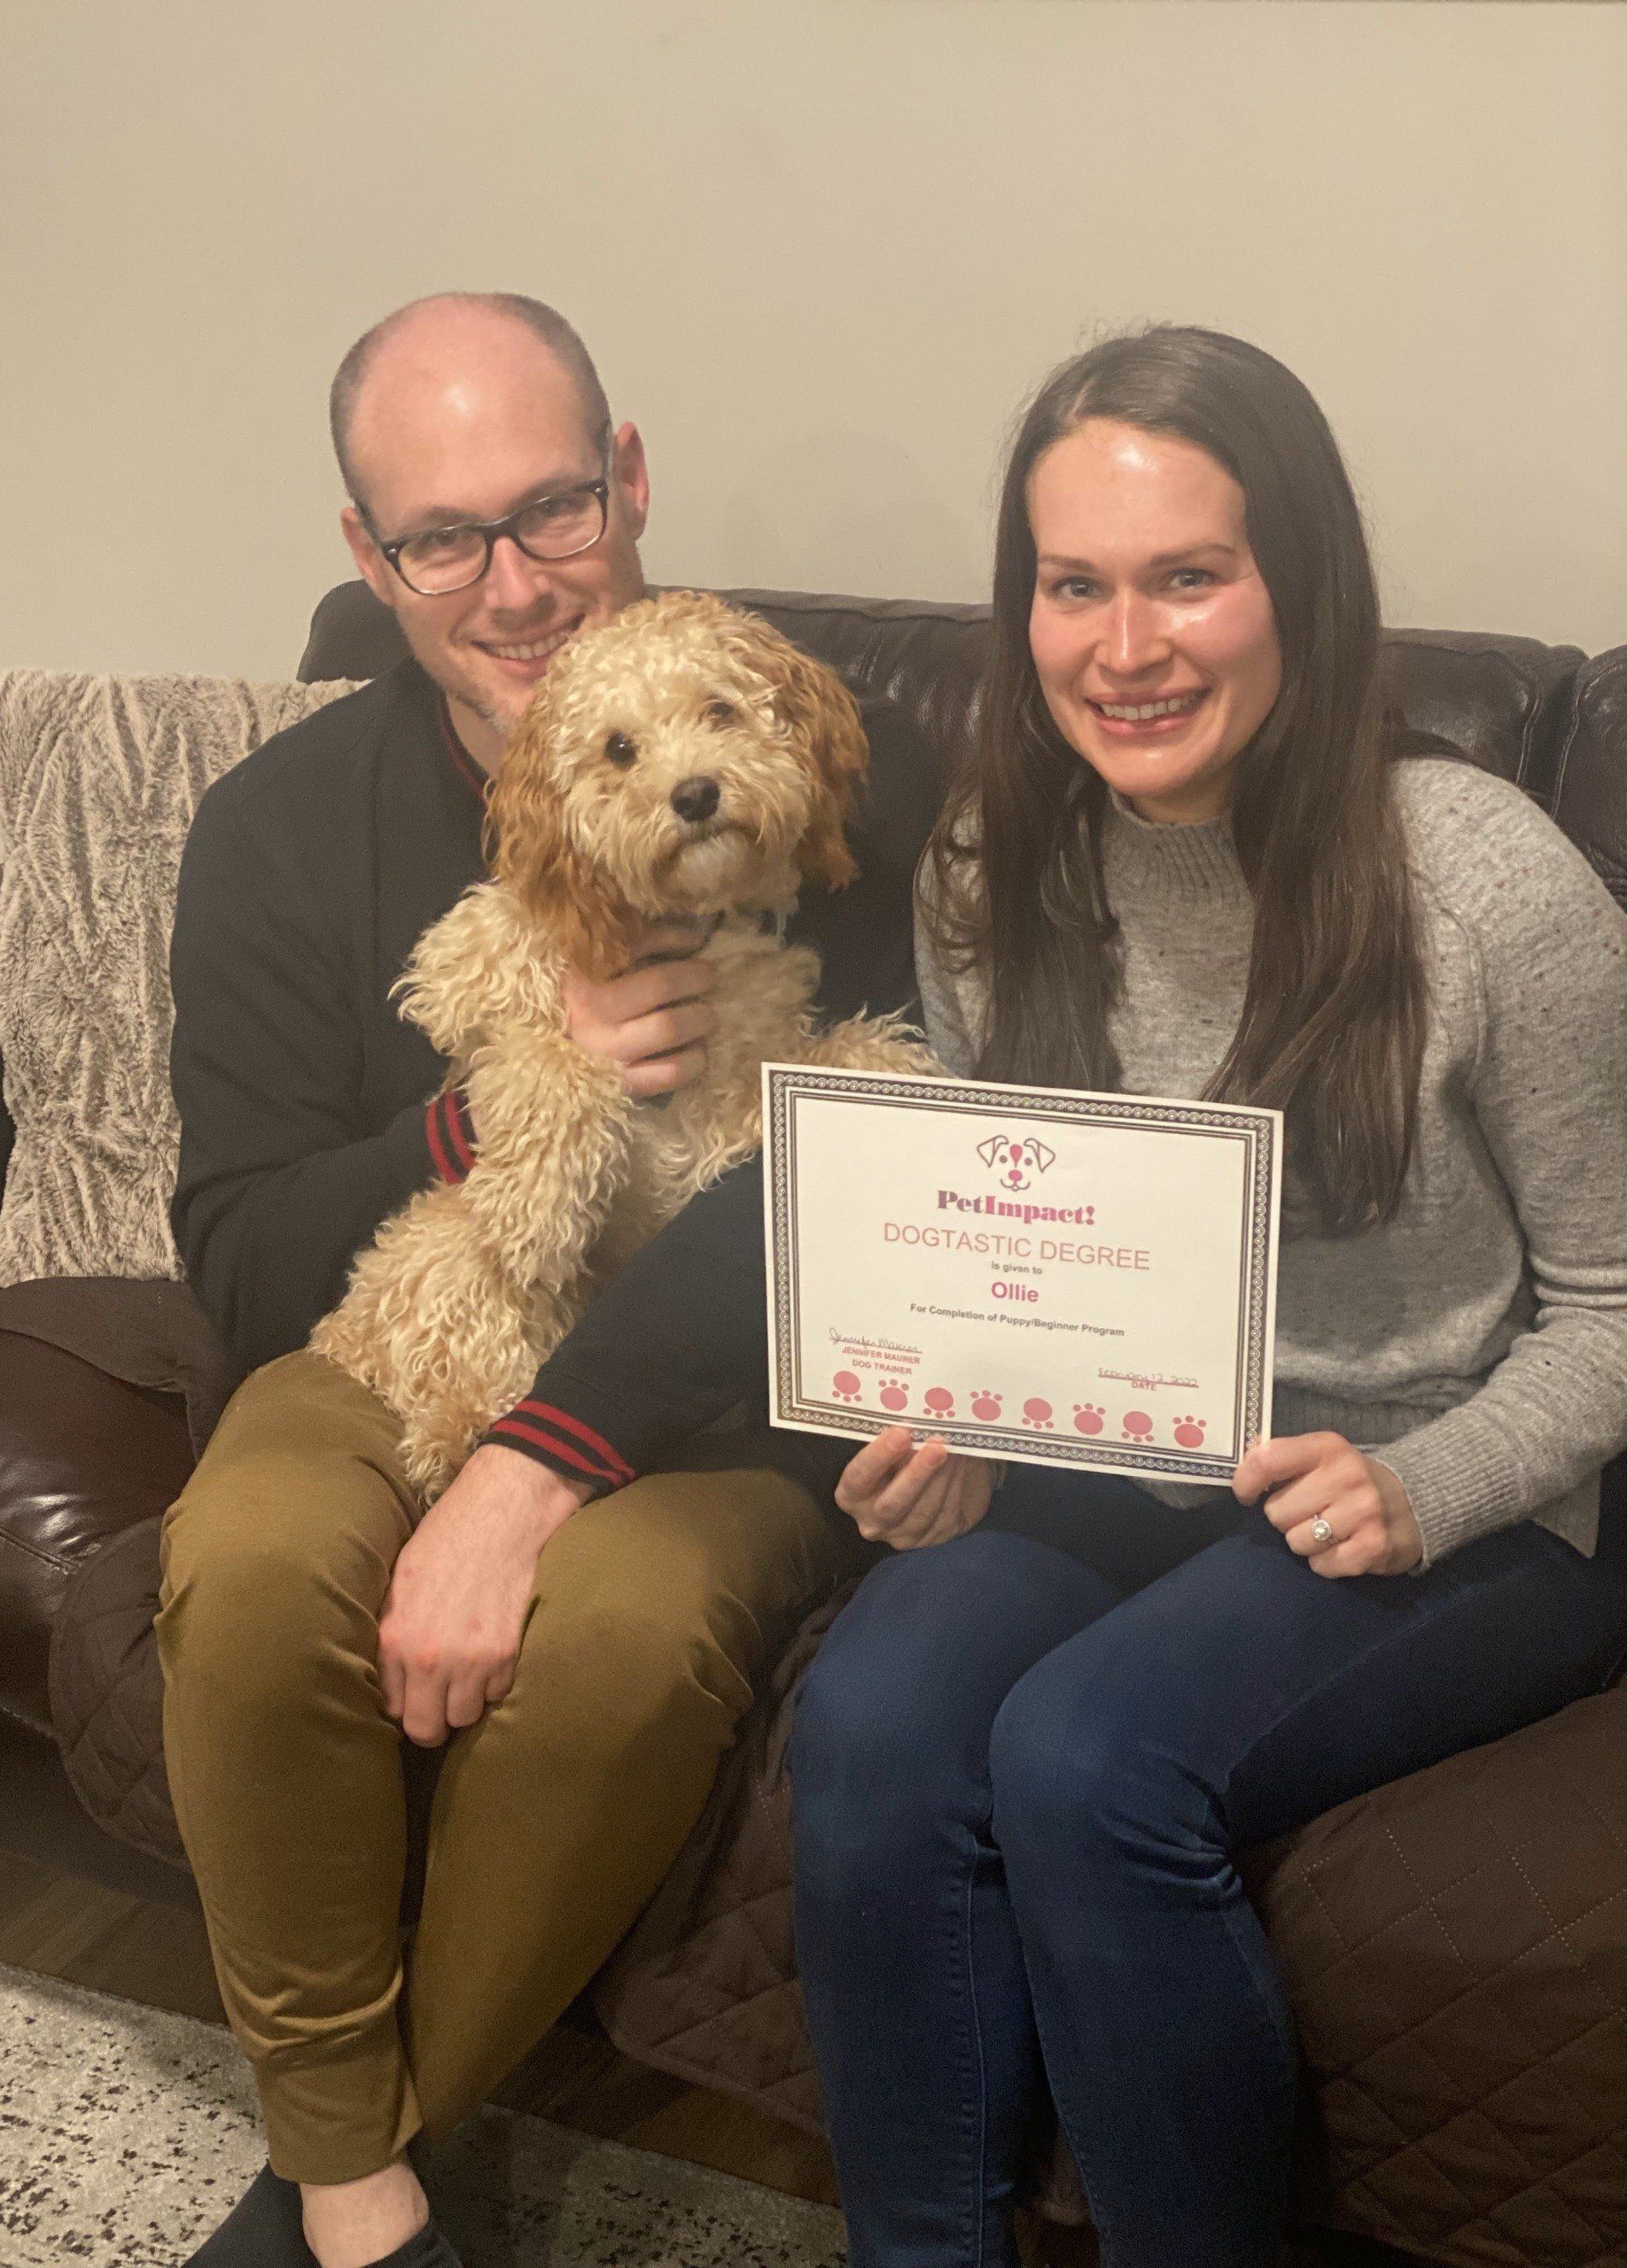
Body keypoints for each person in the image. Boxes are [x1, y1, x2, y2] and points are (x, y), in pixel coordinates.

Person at [475, 326, 1627, 2265]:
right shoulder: (992, 863)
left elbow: (1615, 1294)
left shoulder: (1485, 880)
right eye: (1072, 587)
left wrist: (1427, 1484)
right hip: (1130, 1458)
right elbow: (1005, 1251)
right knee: (874, 1711)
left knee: (1090, 1757)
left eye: (1190, 573)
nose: (1127, 644)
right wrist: (950, 1426)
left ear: (1303, 586)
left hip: (1457, 1485)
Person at [160, 291, 936, 2268]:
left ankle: (331, 2161)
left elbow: (913, 1185)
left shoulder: (839, 778)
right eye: (441, 537)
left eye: (554, 508)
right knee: (246, 1562)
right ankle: (364, 2190)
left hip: (719, 1393)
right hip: (389, 1329)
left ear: (633, 478)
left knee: (615, 1641)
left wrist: (551, 1459)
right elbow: (243, 1255)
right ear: (368, 557)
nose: (511, 584)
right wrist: (506, 1103)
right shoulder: (271, 833)